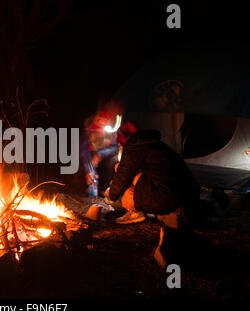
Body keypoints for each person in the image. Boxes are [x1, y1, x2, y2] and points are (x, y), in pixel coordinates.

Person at [105, 122, 200, 267]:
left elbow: (122, 176)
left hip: (169, 196)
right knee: (132, 175)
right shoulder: (155, 145)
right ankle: (159, 211)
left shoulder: (134, 149)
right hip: (186, 193)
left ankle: (135, 212)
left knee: (122, 180)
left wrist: (110, 195)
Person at [81, 100, 123, 204]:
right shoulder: (89, 127)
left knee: (113, 161)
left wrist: (100, 154)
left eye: (105, 120)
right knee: (89, 169)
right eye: (100, 120)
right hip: (91, 155)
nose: (102, 124)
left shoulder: (114, 126)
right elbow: (83, 150)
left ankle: (107, 190)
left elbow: (115, 147)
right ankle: (90, 189)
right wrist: (89, 169)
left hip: (107, 155)